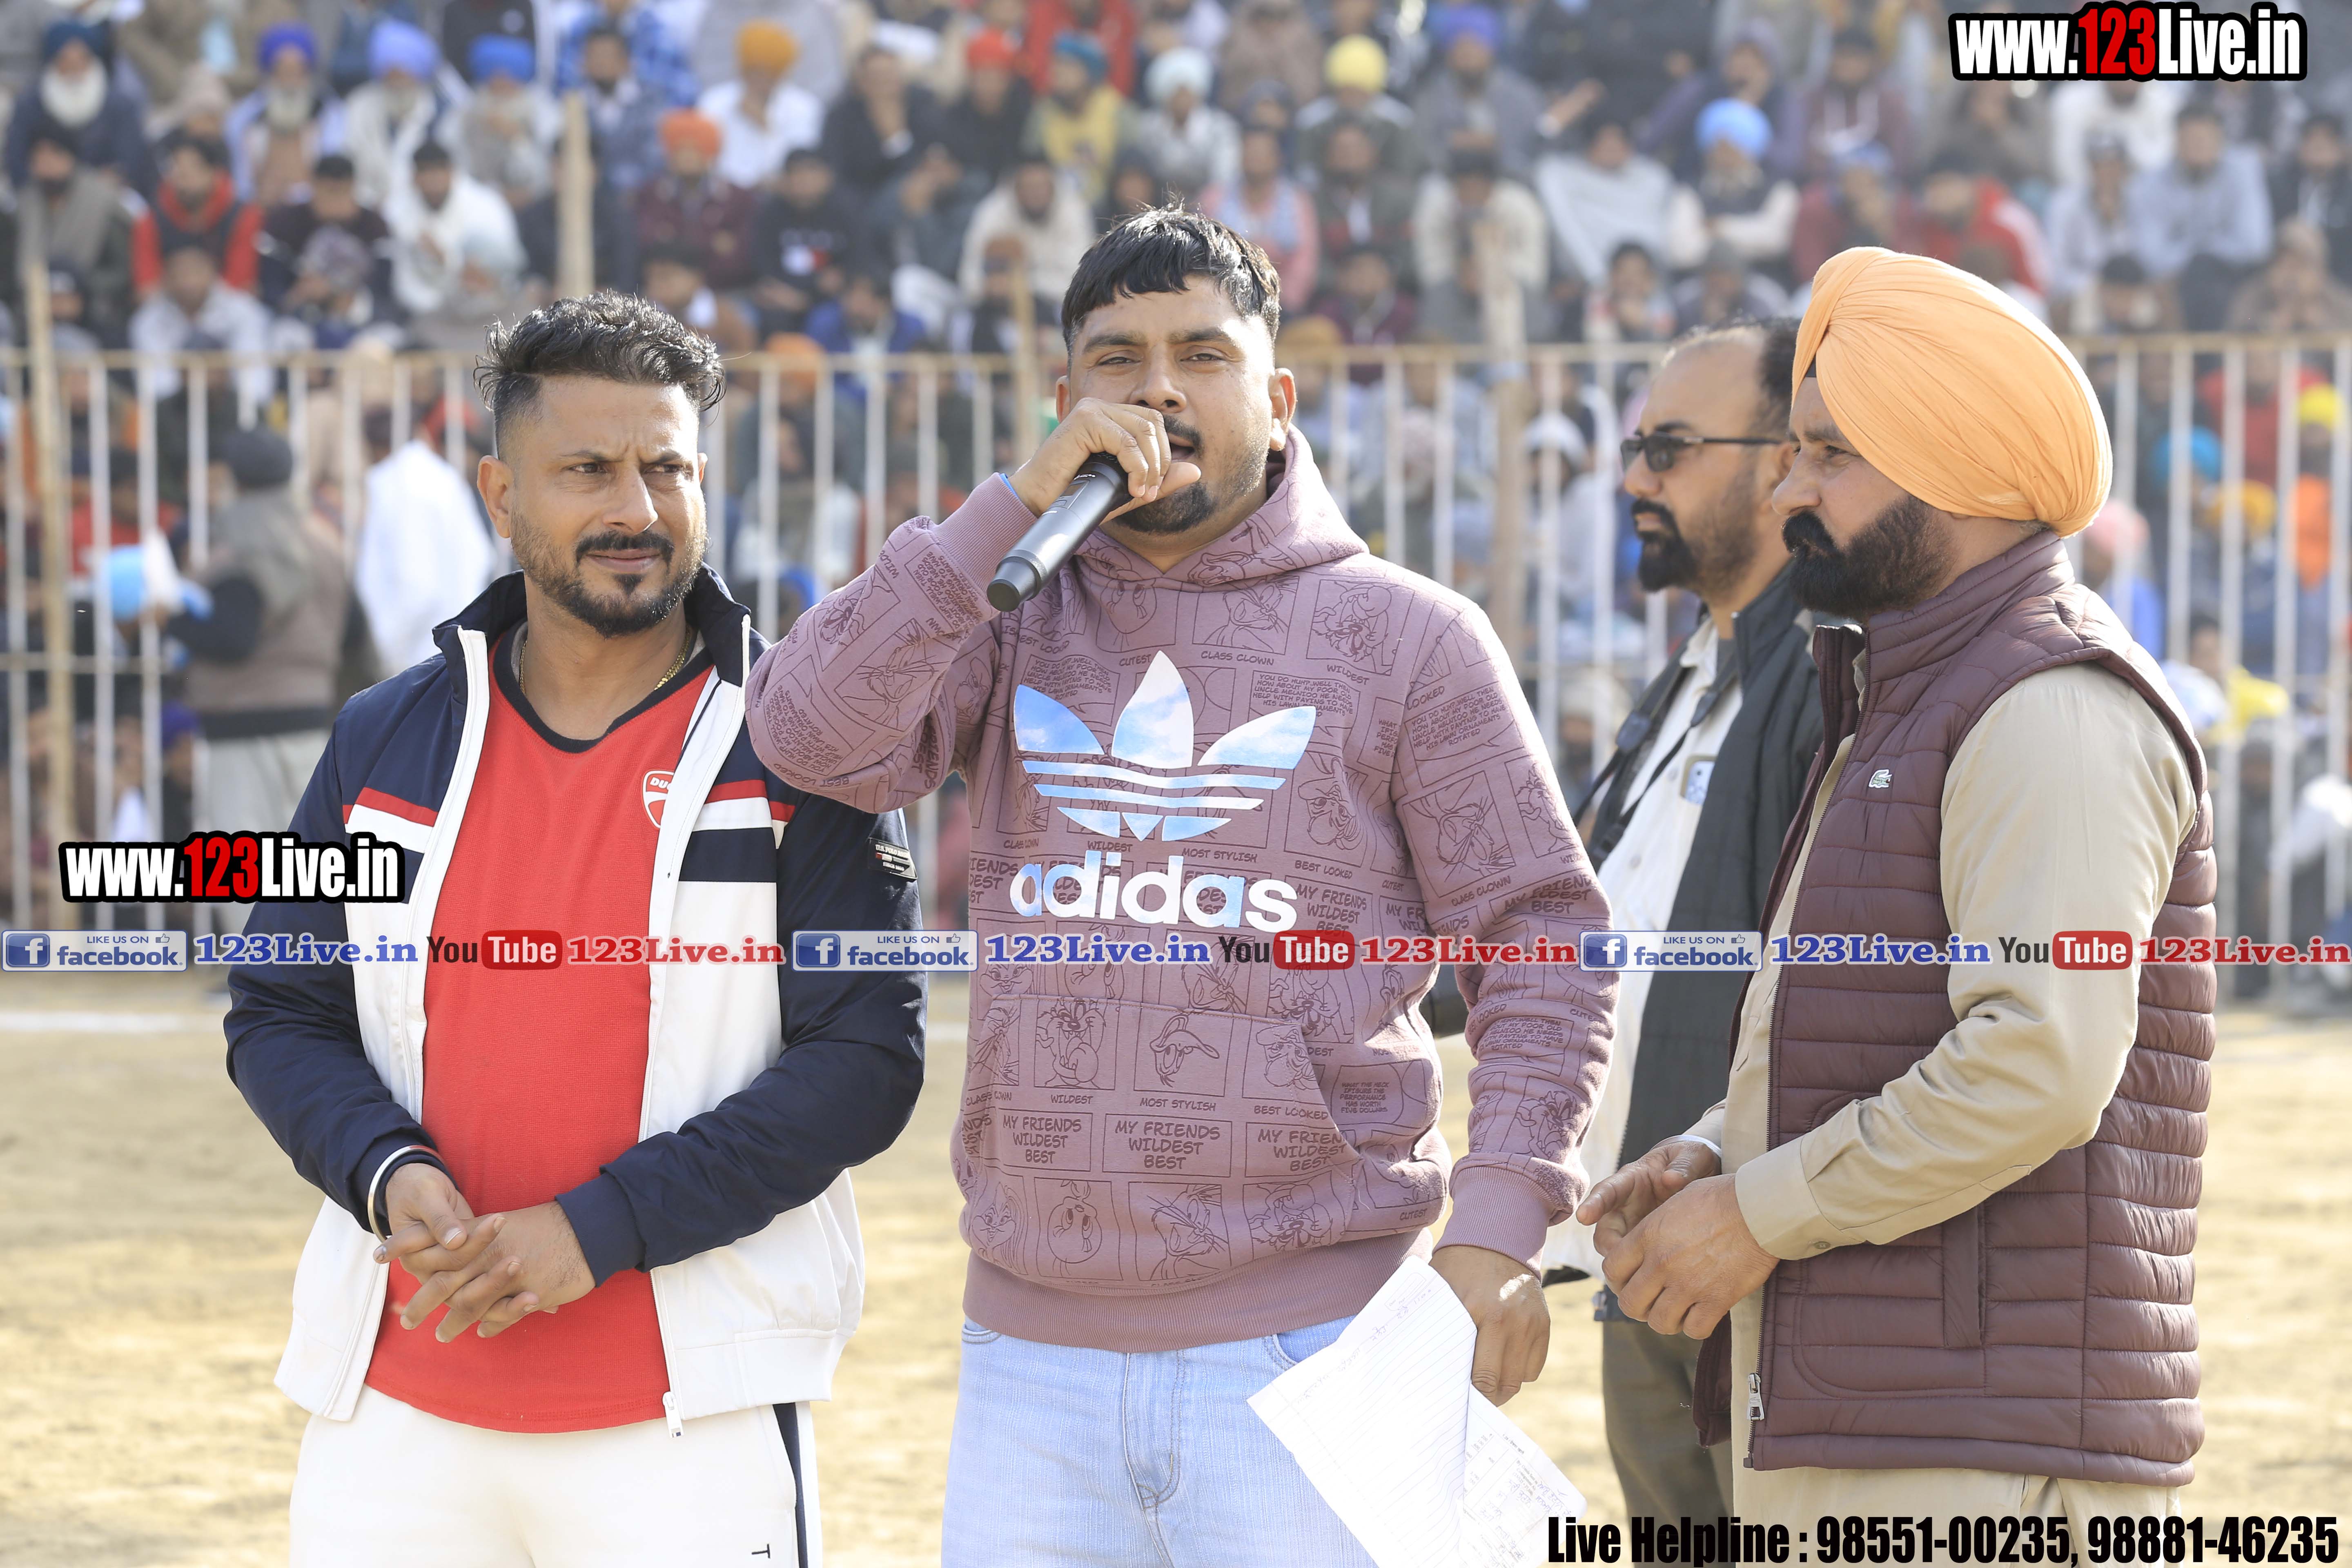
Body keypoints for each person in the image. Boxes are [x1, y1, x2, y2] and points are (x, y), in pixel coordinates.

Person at [745, 205, 1617, 1567]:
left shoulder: (1411, 638)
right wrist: (1003, 514)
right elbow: (803, 738)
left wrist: (1502, 1227)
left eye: (1203, 355)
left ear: (1277, 398)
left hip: (1322, 1347)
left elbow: (1543, 941)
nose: (1159, 390)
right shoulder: (1000, 612)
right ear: (1064, 402)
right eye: (1119, 359)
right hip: (1029, 1365)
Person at [227, 293, 925, 1564]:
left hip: (686, 1424)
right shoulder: (383, 737)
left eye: (668, 467)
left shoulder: (800, 742)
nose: (636, 508)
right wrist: (385, 1168)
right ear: (501, 493)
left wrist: (600, 1228)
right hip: (395, 1412)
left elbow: (867, 1057)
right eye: (588, 470)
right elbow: (281, 1005)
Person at [1577, 247, 2210, 1526]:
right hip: (1891, 1415)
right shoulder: (1904, 695)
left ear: (1954, 469)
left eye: (1828, 455)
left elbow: (2035, 1062)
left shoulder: (2049, 709)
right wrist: (1723, 1148)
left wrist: (1757, 1212)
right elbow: (1877, 1028)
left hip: (1978, 1444)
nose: (1790, 490)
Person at [1538, 316, 1817, 1524]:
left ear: (1783, 463)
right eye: (1634, 448)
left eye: (1669, 448)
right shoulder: (1696, 666)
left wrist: (1737, 1194)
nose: (1634, 478)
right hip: (1641, 1232)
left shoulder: (1833, 672)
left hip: (1753, 1245)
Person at [168, 428, 362, 888]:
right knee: (312, 869)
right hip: (310, 722)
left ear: (234, 480)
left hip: (241, 732)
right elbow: (355, 634)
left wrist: (170, 620)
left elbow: (234, 640)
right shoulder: (326, 544)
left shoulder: (240, 548)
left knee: (241, 874)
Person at [353, 404, 498, 670]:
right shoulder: (441, 476)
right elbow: (482, 556)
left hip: (416, 657)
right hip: (457, 646)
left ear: (372, 448)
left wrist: (385, 656)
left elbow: (416, 587)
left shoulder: (399, 486)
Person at [2131, 100, 2273, 331]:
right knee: (2191, 280)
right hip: (2175, 282)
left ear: (2220, 141)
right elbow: (2151, 256)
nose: (2198, 147)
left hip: (2235, 276)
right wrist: (2198, 257)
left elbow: (2255, 245)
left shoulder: (2244, 171)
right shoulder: (2150, 185)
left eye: (2205, 140)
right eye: (2190, 140)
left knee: (2213, 279)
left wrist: (2203, 255)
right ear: (2176, 141)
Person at [383, 140, 525, 339]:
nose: (433, 185)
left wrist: (449, 259)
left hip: (491, 315)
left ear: (452, 173)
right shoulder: (396, 211)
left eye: (438, 175)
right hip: (429, 319)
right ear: (414, 178)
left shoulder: (487, 206)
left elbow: (506, 272)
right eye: (426, 176)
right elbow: (405, 287)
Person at [4, 20, 155, 192]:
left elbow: (133, 159)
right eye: (66, 60)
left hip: (105, 194)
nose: (74, 69)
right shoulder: (30, 105)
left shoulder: (120, 105)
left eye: (81, 59)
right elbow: (17, 160)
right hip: (44, 193)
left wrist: (99, 179)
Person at [1535, 117, 1673, 303]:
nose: (1613, 152)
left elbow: (1657, 237)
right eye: (1606, 145)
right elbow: (1569, 233)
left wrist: (1643, 281)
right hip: (1590, 288)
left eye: (1619, 143)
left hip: (1650, 288)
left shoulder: (1654, 178)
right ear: (1590, 145)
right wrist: (1599, 281)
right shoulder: (1558, 176)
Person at [127, 241, 274, 403]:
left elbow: (254, 375)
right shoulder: (148, 319)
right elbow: (157, 383)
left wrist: (249, 410)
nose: (188, 282)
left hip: (235, 406)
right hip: (176, 409)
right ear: (166, 278)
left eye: (196, 272)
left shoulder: (245, 311)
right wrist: (175, 412)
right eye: (180, 274)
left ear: (214, 273)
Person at [634, 110, 761, 293]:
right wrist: (712, 242)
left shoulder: (739, 198)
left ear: (711, 153)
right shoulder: (650, 195)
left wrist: (675, 240)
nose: (687, 158)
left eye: (695, 150)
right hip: (664, 293)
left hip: (725, 291)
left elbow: (740, 259)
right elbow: (649, 248)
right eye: (679, 150)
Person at [225, 22, 349, 206]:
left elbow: (332, 170)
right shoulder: (244, 119)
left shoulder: (330, 115)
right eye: (283, 72)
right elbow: (240, 182)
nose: (290, 82)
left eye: (297, 72)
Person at [134, 133, 265, 299]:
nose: (183, 177)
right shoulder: (151, 220)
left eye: (194, 168)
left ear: (215, 173)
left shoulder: (243, 217)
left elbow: (242, 284)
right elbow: (146, 287)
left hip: (227, 304)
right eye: (177, 168)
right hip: (169, 305)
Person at [1199, 124, 1319, 306]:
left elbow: (1305, 260)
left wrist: (1285, 302)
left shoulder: (1297, 201)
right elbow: (1201, 255)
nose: (1256, 158)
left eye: (1263, 153)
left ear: (1279, 158)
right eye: (1250, 152)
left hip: (1283, 304)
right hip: (1222, 301)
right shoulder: (1214, 198)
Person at [341, 18, 455, 208]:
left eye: (404, 77)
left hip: (419, 209)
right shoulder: (359, 106)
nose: (397, 85)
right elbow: (348, 159)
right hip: (364, 207)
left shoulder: (439, 112)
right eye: (391, 77)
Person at [958, 152, 1094, 305]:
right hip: (998, 305)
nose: (1035, 195)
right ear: (1015, 187)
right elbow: (968, 277)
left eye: (1041, 187)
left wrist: (1021, 285)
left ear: (1053, 186)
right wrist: (990, 286)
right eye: (1028, 187)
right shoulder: (993, 211)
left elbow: (1079, 281)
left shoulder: (1073, 210)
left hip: (1056, 307)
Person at [697, 22, 822, 190]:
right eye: (753, 72)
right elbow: (707, 164)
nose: (760, 81)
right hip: (726, 198)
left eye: (768, 74)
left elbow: (798, 169)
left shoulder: (805, 108)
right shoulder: (714, 102)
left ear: (782, 75)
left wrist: (766, 129)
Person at [1294, 33, 1417, 184]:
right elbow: (1305, 172)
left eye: (1359, 93)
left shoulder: (1399, 123)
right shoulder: (1311, 123)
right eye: (1346, 92)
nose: (1352, 101)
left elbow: (1406, 172)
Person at [455, 35, 558, 200]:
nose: (501, 80)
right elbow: (456, 159)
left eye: (507, 74)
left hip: (533, 197)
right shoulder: (467, 110)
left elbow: (547, 166)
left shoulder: (542, 110)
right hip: (478, 198)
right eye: (495, 73)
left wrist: (517, 139)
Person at [1134, 45, 1237, 198]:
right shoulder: (1149, 129)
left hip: (1208, 204)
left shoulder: (1221, 128)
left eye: (1187, 93)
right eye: (1176, 94)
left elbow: (1224, 177)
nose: (1182, 100)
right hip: (1160, 201)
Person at [575, 26, 667, 195]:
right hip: (589, 197)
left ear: (626, 62)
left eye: (608, 57)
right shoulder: (576, 104)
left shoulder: (650, 102)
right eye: (595, 57)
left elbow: (655, 160)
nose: (601, 64)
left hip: (640, 196)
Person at [555, 0, 697, 109]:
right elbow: (562, 86)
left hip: (644, 121)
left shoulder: (658, 34)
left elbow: (684, 92)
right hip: (589, 116)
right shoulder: (579, 29)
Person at [938, 27, 1031, 183]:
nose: (990, 86)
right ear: (971, 78)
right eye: (984, 76)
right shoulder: (954, 115)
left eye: (998, 77)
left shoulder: (1024, 113)